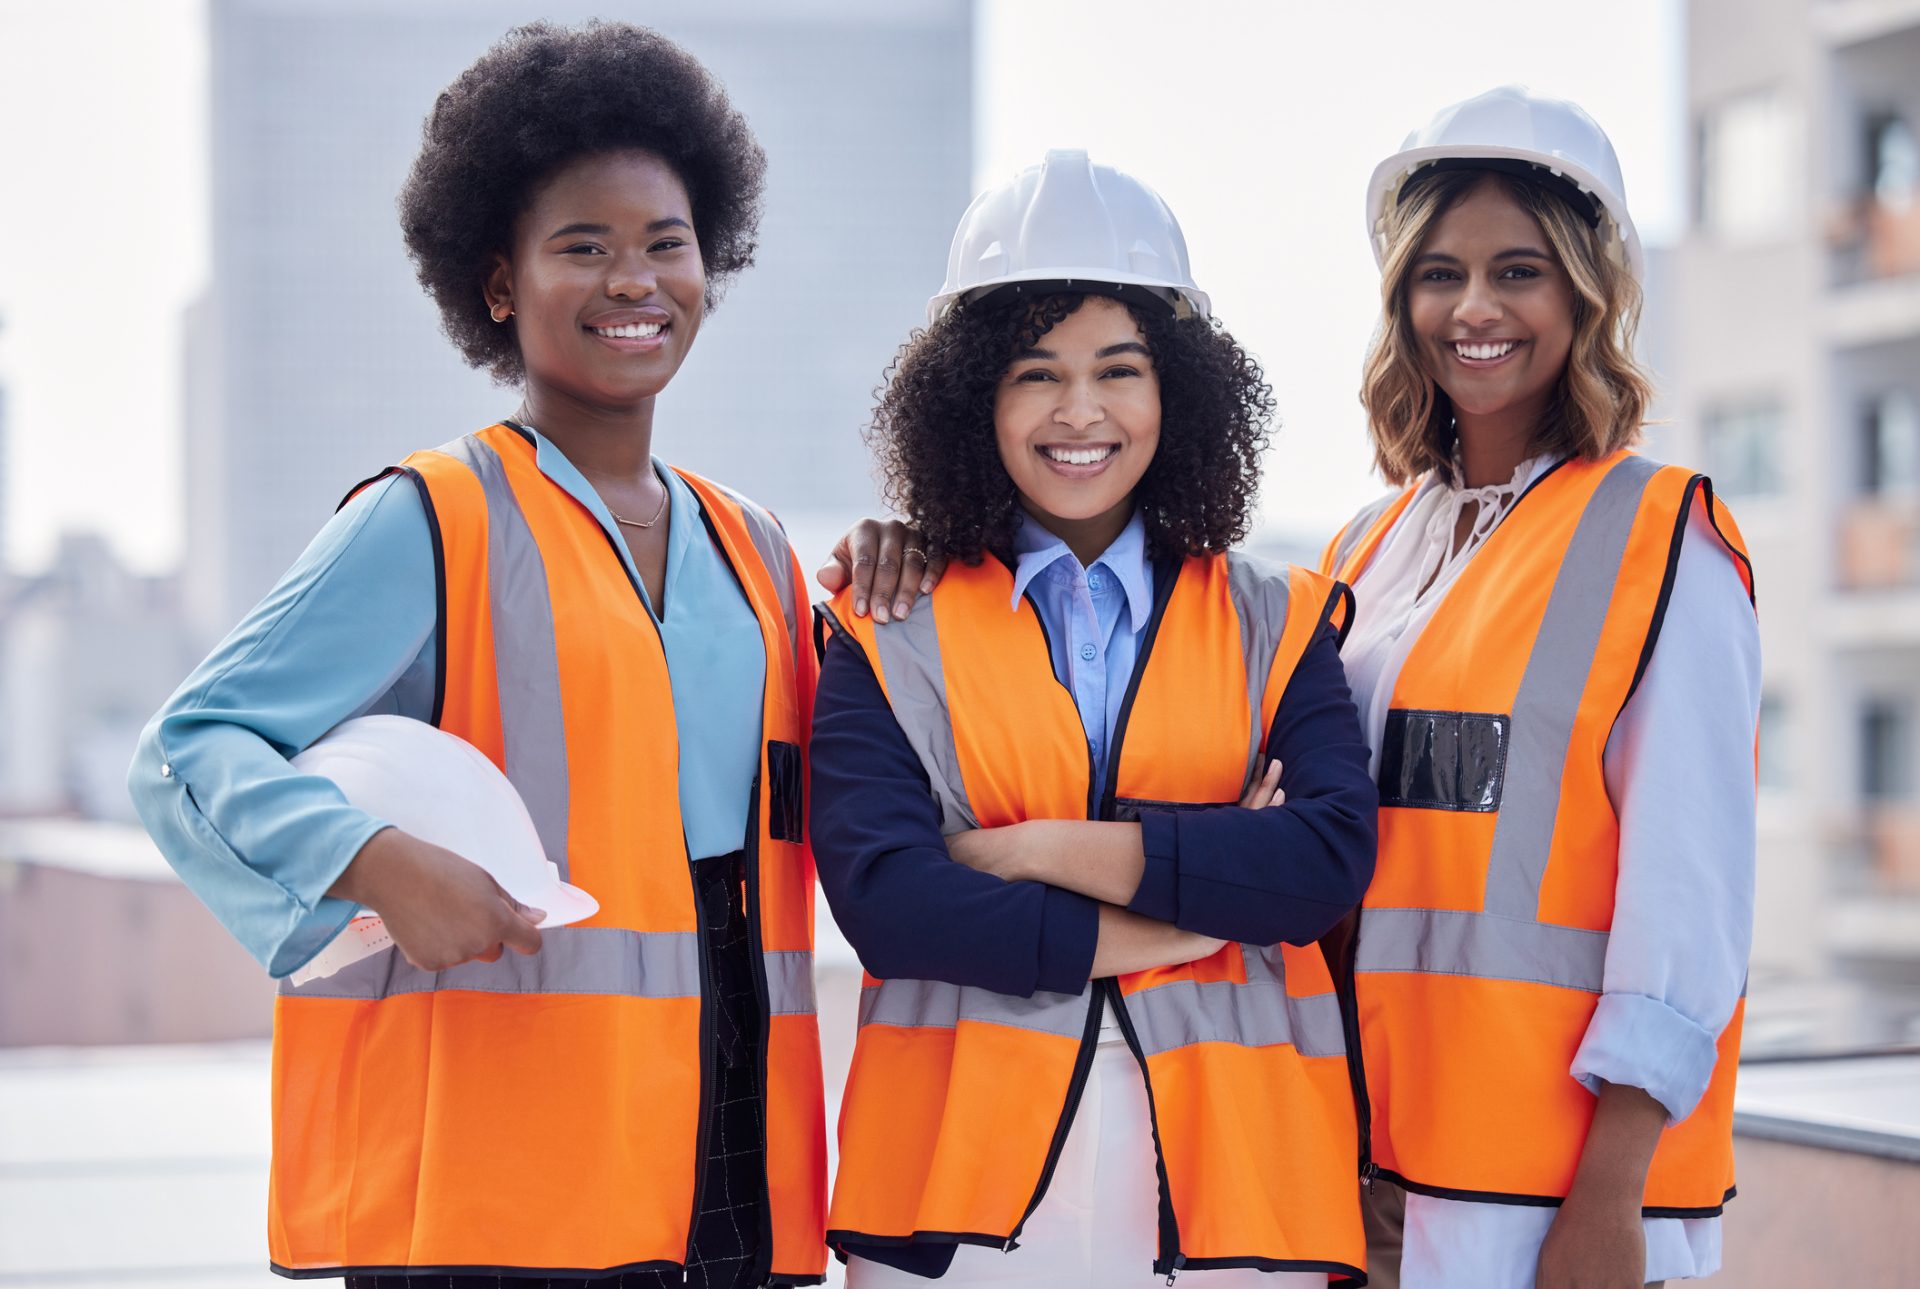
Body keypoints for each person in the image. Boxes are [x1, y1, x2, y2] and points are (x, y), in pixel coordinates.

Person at [123, 21, 924, 1286]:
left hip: (731, 1180)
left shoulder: (759, 547)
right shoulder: (430, 517)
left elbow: (882, 783)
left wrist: (913, 561)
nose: (634, 281)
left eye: (667, 244)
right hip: (497, 1201)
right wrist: (375, 862)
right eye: (583, 247)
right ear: (498, 283)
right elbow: (186, 753)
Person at [810, 150, 1380, 1287]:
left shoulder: (1279, 615)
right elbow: (896, 907)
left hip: (1233, 1202)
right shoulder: (887, 621)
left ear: (1178, 390)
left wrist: (1030, 852)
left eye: (1119, 370)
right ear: (976, 396)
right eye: (1036, 373)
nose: (1081, 412)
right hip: (958, 1208)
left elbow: (1321, 863)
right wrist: (1203, 911)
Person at [1320, 87, 1760, 1289]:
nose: (1473, 308)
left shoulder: (1666, 537)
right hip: (1366, 1170)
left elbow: (1692, 898)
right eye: (1438, 274)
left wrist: (1608, 1195)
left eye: (1518, 270)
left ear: (1584, 292)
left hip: (1550, 1201)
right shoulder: (1365, 549)